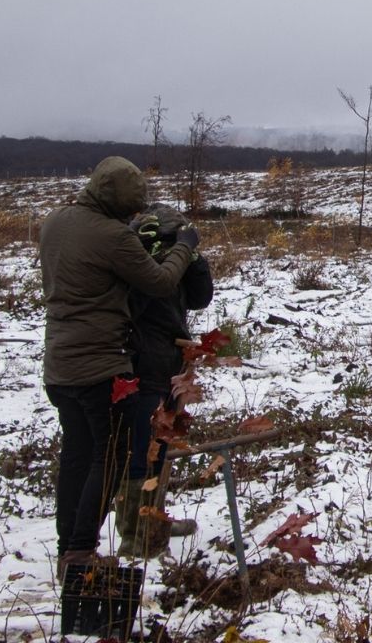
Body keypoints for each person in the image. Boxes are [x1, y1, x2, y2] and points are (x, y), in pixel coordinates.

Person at [39, 157, 199, 572]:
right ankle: (80, 550)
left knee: (75, 455)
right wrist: (185, 247)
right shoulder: (113, 237)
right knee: (108, 458)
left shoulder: (55, 221)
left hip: (59, 362)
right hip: (100, 364)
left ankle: (67, 549)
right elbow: (161, 282)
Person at [115, 204, 214, 559]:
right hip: (142, 361)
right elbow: (148, 298)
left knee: (163, 442)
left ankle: (153, 522)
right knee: (140, 447)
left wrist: (194, 259)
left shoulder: (177, 263)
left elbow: (201, 298)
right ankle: (134, 534)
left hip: (171, 360)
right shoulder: (137, 264)